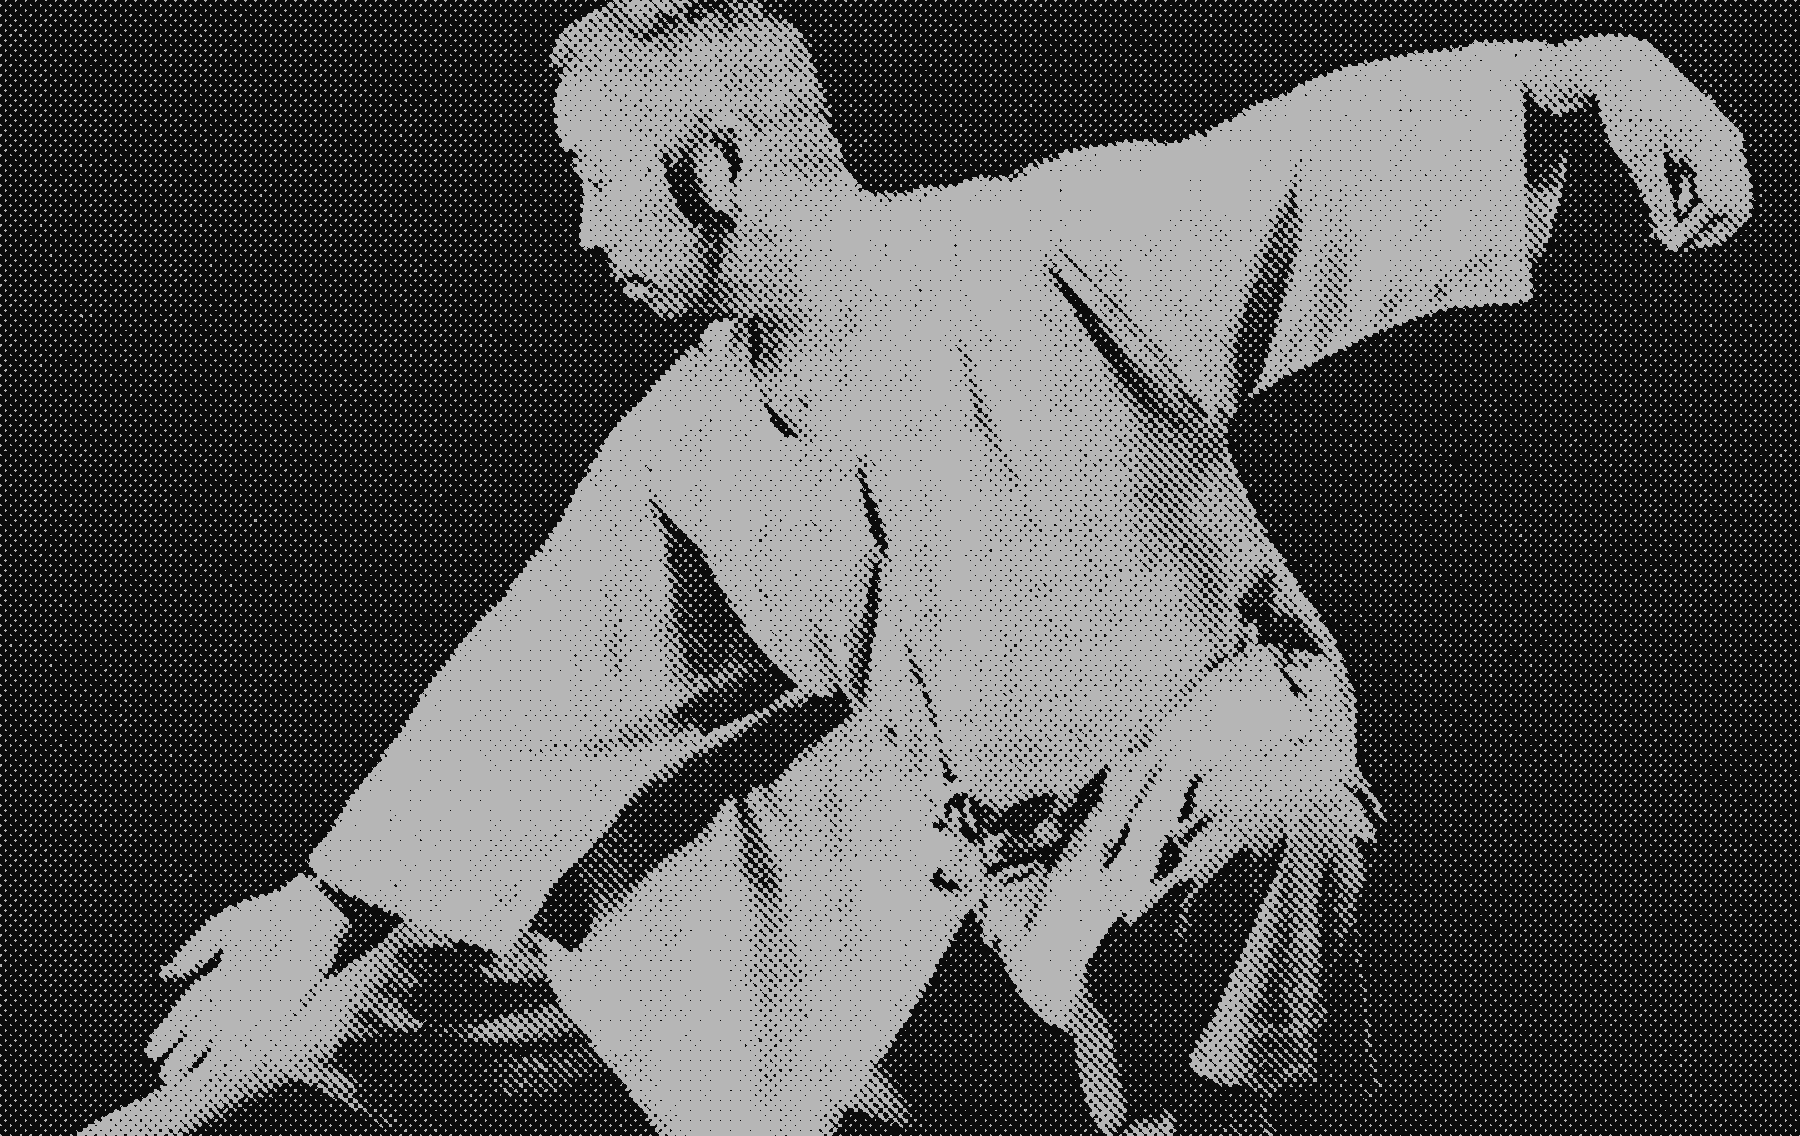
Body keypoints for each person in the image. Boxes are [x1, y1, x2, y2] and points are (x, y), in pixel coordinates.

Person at [80, 3, 1752, 1135]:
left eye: (596, 181)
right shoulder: (687, 441)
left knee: (1281, 814)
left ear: (717, 167)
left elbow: (1303, 165)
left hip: (1196, 777)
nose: (585, 230)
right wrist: (327, 901)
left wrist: (1591, 72)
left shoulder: (1048, 252)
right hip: (939, 842)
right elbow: (545, 680)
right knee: (464, 993)